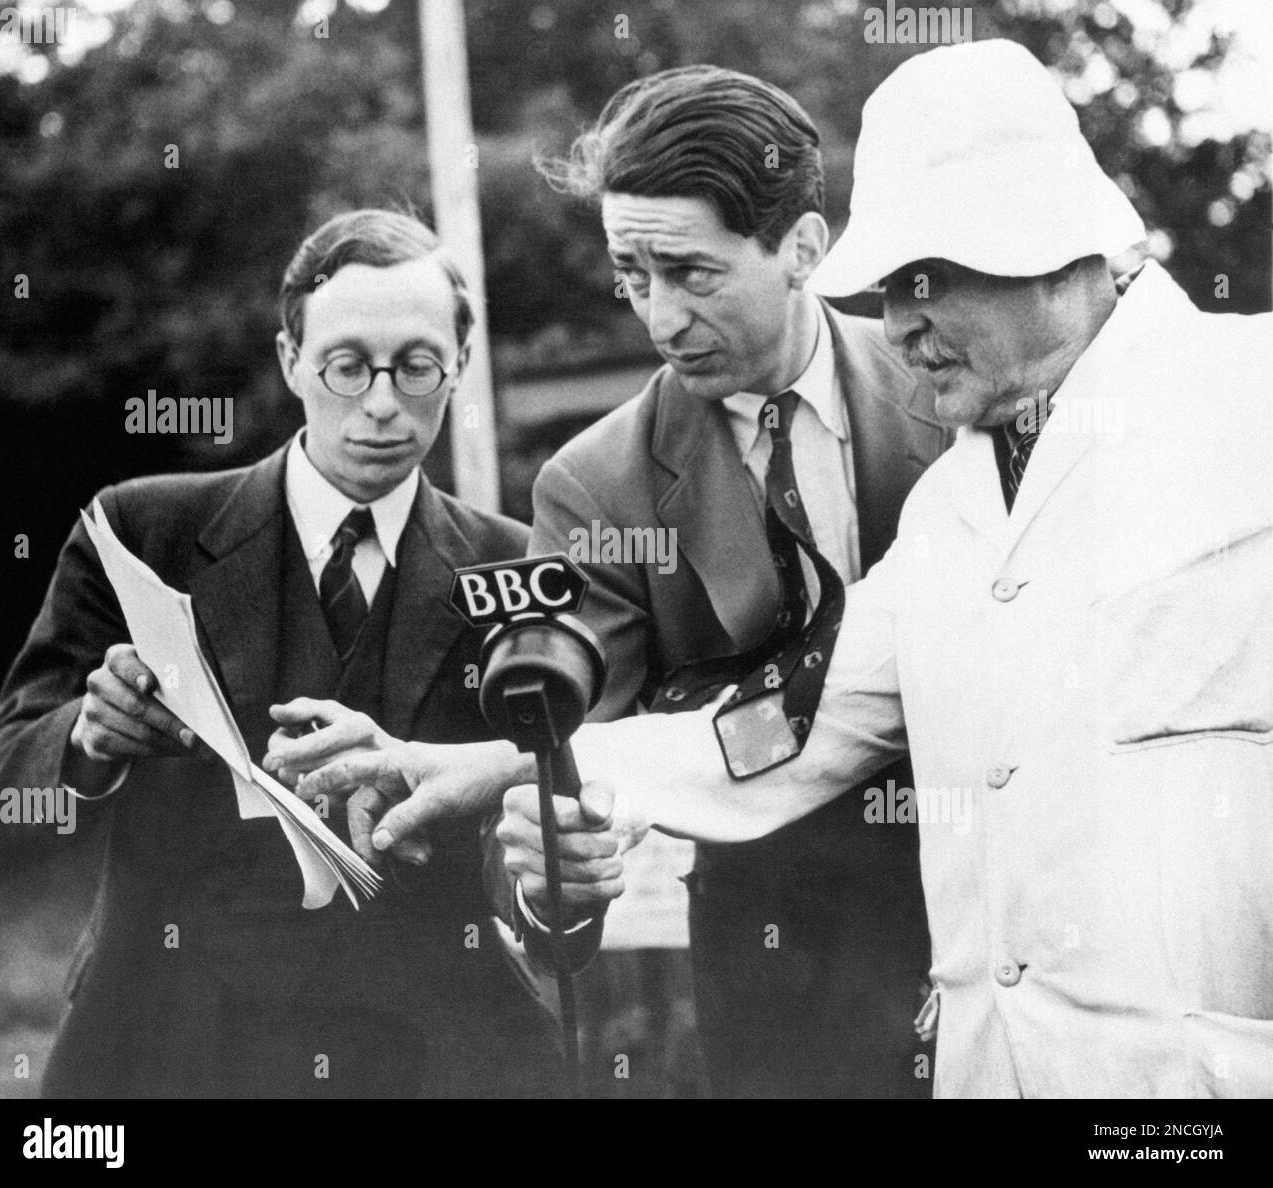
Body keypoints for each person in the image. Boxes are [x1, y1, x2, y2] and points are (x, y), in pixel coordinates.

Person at [302, 40, 1273, 1098]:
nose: (900, 322)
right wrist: (495, 765)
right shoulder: (955, 508)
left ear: (1045, 246)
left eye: (925, 280)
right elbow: (788, 727)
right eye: (889, 286)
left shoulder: (1246, 403)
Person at [273, 65, 950, 1099]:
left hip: (1027, 929)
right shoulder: (597, 488)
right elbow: (563, 758)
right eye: (631, 273)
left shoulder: (953, 382)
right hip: (793, 984)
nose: (658, 316)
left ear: (803, 248)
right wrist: (555, 886)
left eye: (691, 273)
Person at [0, 209, 562, 1098]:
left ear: (460, 368)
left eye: (417, 366)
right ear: (291, 360)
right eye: (346, 364)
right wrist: (89, 741)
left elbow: (536, 813)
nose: (380, 401)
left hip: (432, 1045)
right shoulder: (140, 531)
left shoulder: (518, 567)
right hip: (174, 1036)